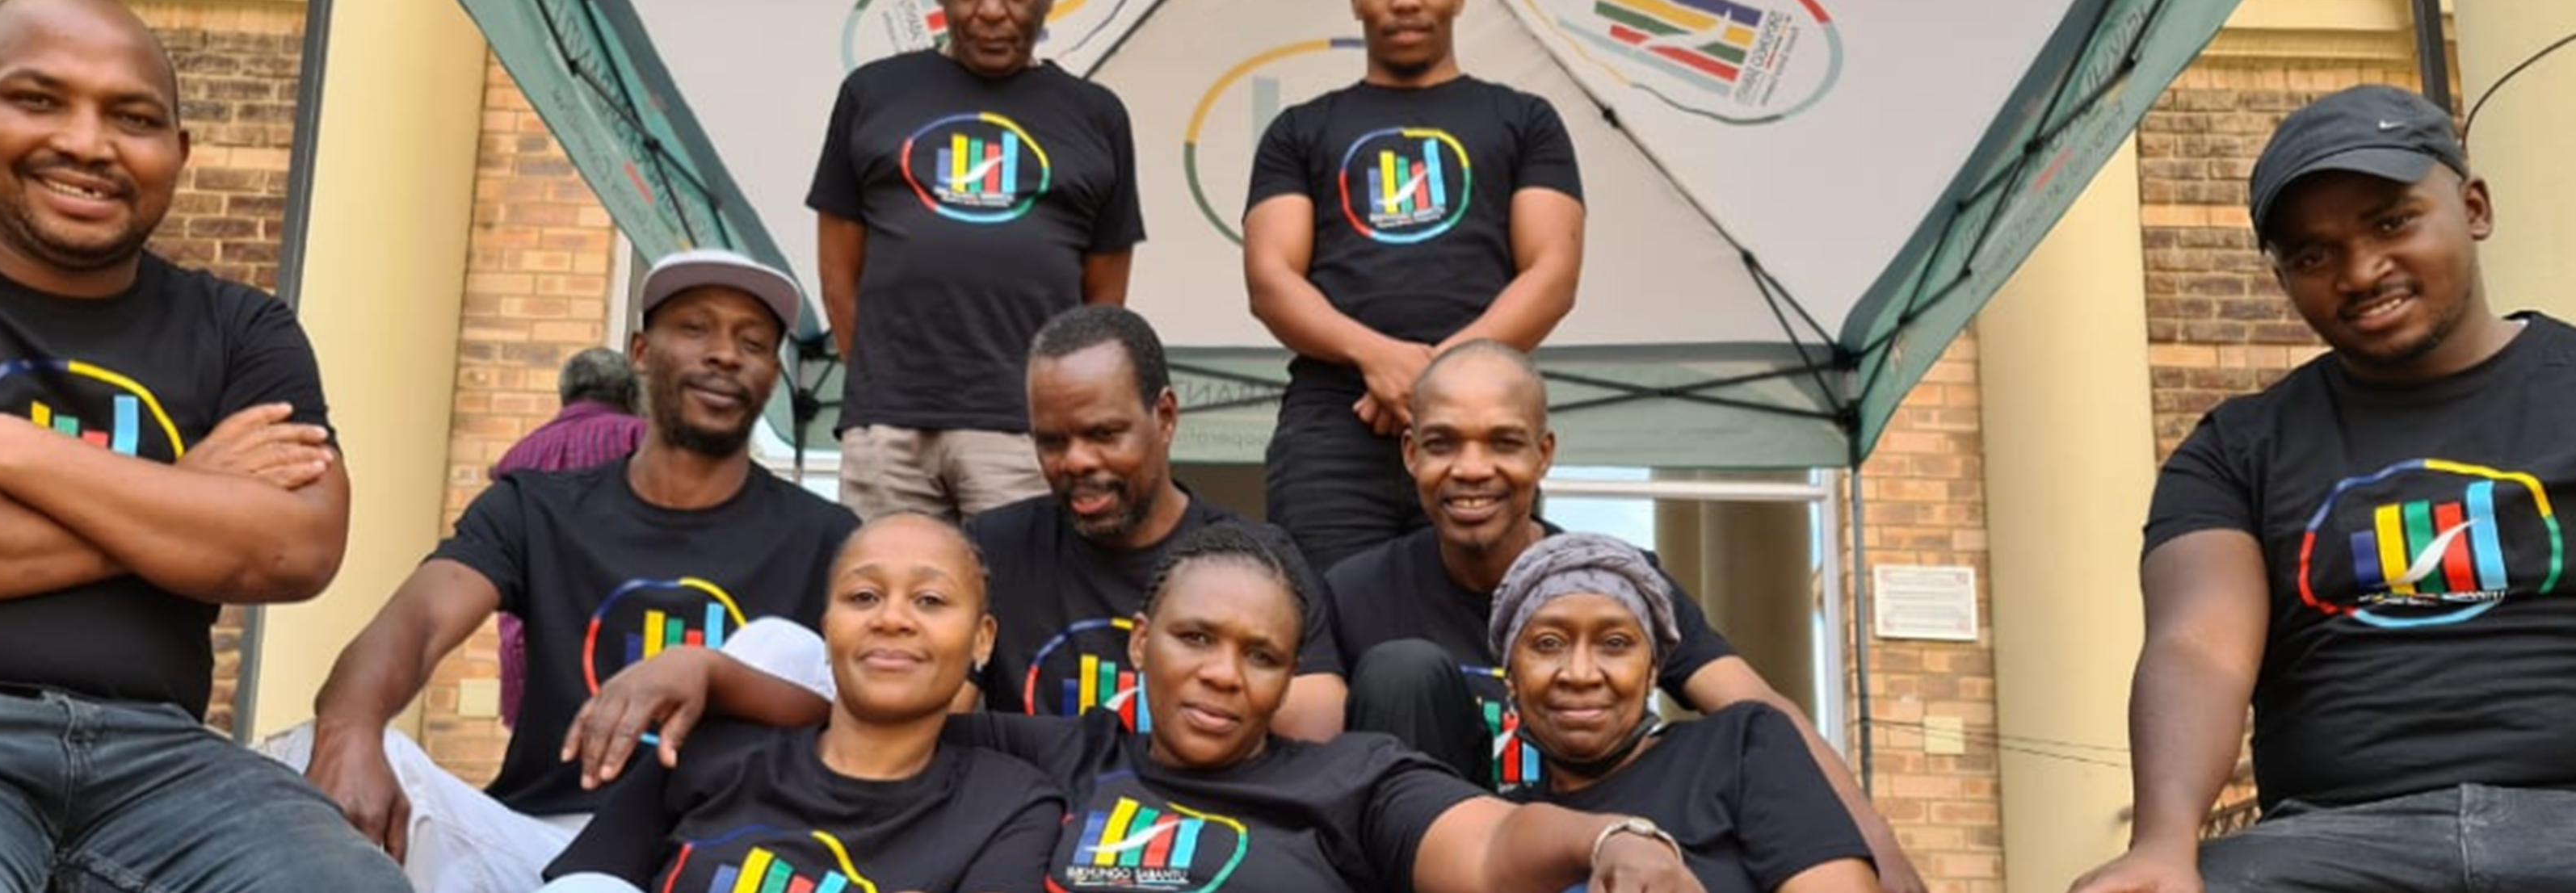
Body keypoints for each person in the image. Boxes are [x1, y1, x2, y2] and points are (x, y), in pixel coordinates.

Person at [0, 0, 404, 891]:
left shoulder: (242, 328)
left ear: (178, 152)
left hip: (161, 759)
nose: (86, 143)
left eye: (133, 117)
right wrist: (182, 500)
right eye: (39, 100)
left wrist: (4, 450)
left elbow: (294, 548)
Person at [2071, 83, 2576, 893]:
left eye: (2392, 220)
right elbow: (2197, 647)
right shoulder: (2236, 447)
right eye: (2312, 254)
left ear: (2473, 207)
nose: (2361, 270)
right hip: (2335, 842)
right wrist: (2161, 842)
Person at [572, 522, 1710, 893]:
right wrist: (706, 672)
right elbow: (878, 700)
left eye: (1259, 653)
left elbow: (1501, 835)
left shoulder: (1351, 775)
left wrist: (1614, 836)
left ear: (1287, 673)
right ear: (1139, 649)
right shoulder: (1052, 751)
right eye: (1196, 638)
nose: (1223, 671)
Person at [285, 248, 860, 892]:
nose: (725, 353)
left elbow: (856, 719)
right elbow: (418, 622)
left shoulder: (831, 537)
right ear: (640, 351)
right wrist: (350, 729)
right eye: (696, 328)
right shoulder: (536, 508)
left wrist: (712, 673)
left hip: (715, 852)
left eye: (752, 341)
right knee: (315, 752)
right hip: (537, 839)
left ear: (772, 375)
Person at [1330, 341, 1927, 892]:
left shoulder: (1614, 582)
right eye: (1444, 443)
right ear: (1410, 453)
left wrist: (1875, 841)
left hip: (1599, 820)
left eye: (1502, 442)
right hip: (1448, 847)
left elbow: (1755, 705)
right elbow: (1314, 770)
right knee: (1399, 672)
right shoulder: (1355, 591)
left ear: (1544, 455)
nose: (1471, 468)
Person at [1242, 0, 1586, 570]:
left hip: (1481, 430)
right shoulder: (1298, 129)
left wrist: (1434, 381)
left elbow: (1552, 274)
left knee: (1482, 643)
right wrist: (1376, 357)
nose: (1405, 1)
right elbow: (1270, 280)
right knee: (1323, 635)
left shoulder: (1525, 120)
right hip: (1332, 429)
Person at [811, 0, 1145, 522]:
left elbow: (1102, 303)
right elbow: (837, 271)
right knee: (889, 610)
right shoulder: (871, 94)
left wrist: (1059, 412)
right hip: (889, 434)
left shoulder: (1097, 117)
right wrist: (883, 387)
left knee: (1017, 610)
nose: (991, 8)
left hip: (1028, 435)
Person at [542, 513, 1065, 893]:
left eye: (930, 600)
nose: (891, 618)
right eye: (863, 596)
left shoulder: (1008, 805)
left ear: (982, 639)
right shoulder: (712, 750)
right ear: (828, 625)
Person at [968, 304, 1347, 739]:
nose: (1076, 461)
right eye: (1052, 441)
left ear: (1165, 417)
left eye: (1104, 434)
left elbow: (1314, 742)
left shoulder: (1259, 560)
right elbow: (925, 730)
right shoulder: (992, 549)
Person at [1494, 532, 1879, 893]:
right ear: (1511, 675)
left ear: (1653, 671)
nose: (1580, 674)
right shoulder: (1496, 826)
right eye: (1548, 644)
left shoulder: (1738, 750)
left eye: (1614, 643)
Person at [493, 346, 649, 727]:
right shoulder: (644, 440)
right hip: (621, 645)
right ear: (631, 395)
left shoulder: (516, 458)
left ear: (565, 396)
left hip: (532, 655)